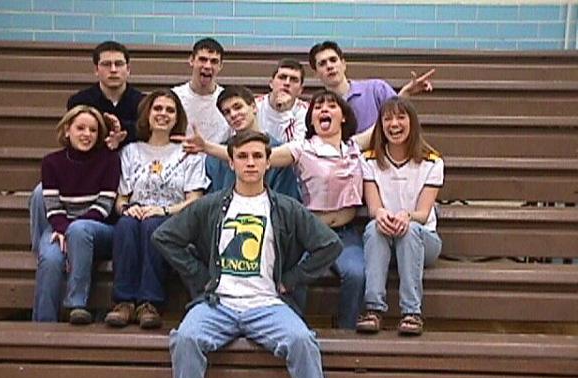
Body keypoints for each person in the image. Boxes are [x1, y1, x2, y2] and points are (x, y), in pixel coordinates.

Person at [152, 129, 342, 378]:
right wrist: (201, 277)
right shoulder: (211, 205)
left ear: (268, 162)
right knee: (185, 338)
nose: (250, 162)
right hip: (218, 304)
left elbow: (329, 245)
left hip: (267, 305)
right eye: (242, 156)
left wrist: (292, 280)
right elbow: (165, 237)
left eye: (257, 156)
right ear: (231, 163)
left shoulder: (286, 208)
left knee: (302, 341)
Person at [182, 90, 369, 329]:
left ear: (343, 116)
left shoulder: (353, 147)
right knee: (292, 274)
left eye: (331, 106)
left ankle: (346, 331)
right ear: (310, 120)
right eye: (318, 107)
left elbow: (383, 128)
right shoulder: (301, 148)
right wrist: (207, 147)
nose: (324, 110)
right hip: (310, 231)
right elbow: (255, 158)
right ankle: (295, 327)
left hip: (345, 232)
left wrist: (403, 95)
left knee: (356, 274)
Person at [104, 89, 208, 330]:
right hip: (137, 214)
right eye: (158, 108)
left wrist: (164, 210)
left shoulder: (188, 153)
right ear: (147, 114)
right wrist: (127, 209)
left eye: (170, 110)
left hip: (173, 217)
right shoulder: (130, 151)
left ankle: (149, 303)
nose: (163, 114)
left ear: (177, 117)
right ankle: (123, 303)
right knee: (125, 224)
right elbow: (121, 199)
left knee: (154, 226)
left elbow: (195, 199)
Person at [30, 41, 144, 254]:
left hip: (126, 171)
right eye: (106, 64)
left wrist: (123, 132)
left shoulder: (142, 103)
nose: (113, 69)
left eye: (119, 64)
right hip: (90, 169)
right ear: (96, 70)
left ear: (128, 69)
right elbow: (77, 138)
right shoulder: (80, 100)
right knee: (39, 193)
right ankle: (48, 248)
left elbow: (146, 131)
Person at [356, 97, 444, 336]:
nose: (394, 124)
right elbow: (374, 208)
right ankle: (373, 309)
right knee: (374, 227)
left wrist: (406, 216)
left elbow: (423, 214)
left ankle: (412, 312)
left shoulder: (432, 162)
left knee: (410, 230)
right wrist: (382, 214)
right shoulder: (369, 160)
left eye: (401, 117)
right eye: (387, 119)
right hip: (385, 239)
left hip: (423, 239)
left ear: (412, 122)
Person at [32, 105, 120, 323]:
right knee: (50, 259)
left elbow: (103, 207)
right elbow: (53, 206)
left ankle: (76, 304)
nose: (86, 134)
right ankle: (43, 325)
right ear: (67, 130)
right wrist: (63, 229)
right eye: (80, 128)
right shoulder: (51, 162)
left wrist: (71, 230)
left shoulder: (109, 160)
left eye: (93, 130)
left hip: (98, 230)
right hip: (61, 227)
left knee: (80, 230)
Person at [308, 40, 434, 134]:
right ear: (316, 73)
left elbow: (397, 120)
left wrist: (403, 96)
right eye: (322, 63)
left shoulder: (376, 89)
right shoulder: (318, 110)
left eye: (333, 60)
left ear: (344, 64)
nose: (329, 66)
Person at [206, 85, 301, 201]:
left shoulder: (280, 155)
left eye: (238, 107)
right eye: (227, 112)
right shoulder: (214, 159)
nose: (233, 114)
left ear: (254, 107)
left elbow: (288, 203)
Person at [256, 58, 308, 142]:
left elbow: (298, 147)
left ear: (300, 90)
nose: (287, 83)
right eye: (282, 77)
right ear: (271, 83)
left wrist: (285, 113)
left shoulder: (307, 112)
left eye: (293, 79)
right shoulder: (254, 107)